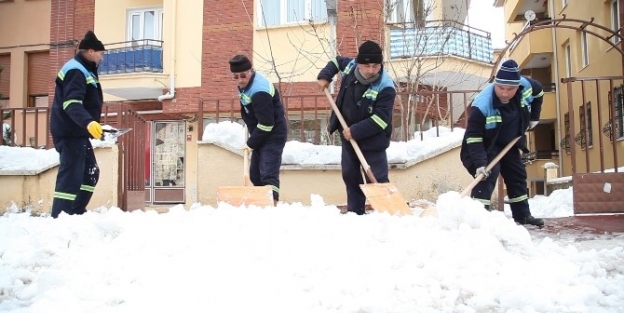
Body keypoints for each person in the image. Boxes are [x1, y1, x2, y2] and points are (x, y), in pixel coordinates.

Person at [460, 59, 545, 226]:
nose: (505, 93)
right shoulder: (482, 105)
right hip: (485, 145)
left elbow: (539, 93)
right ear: (496, 84)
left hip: (509, 143)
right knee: (486, 177)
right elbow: (473, 137)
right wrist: (480, 163)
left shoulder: (527, 86)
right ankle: (478, 220)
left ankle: (522, 216)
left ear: (518, 86)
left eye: (510, 89)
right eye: (501, 88)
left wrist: (534, 117)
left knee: (517, 175)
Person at [317, 40, 396, 215]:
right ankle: (355, 212)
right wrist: (325, 76)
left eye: (375, 66)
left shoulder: (386, 86)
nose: (371, 70)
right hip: (348, 135)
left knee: (376, 177)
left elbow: (381, 120)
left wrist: (355, 130)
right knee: (350, 174)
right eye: (366, 65)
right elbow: (336, 61)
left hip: (372, 140)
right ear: (359, 63)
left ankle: (386, 213)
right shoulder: (351, 66)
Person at [50, 30, 106, 218]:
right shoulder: (76, 70)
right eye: (101, 53)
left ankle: (76, 212)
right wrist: (88, 122)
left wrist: (90, 124)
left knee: (91, 173)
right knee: (71, 175)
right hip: (69, 132)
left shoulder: (84, 69)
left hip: (78, 132)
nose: (101, 57)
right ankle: (60, 217)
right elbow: (71, 103)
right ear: (90, 51)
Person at [228, 54, 287, 205]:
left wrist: (251, 143)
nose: (240, 80)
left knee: (268, 173)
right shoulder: (245, 85)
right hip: (260, 133)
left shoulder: (260, 90)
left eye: (243, 75)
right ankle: (261, 204)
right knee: (255, 175)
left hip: (272, 134)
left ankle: (271, 205)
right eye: (236, 77)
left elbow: (267, 124)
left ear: (251, 71)